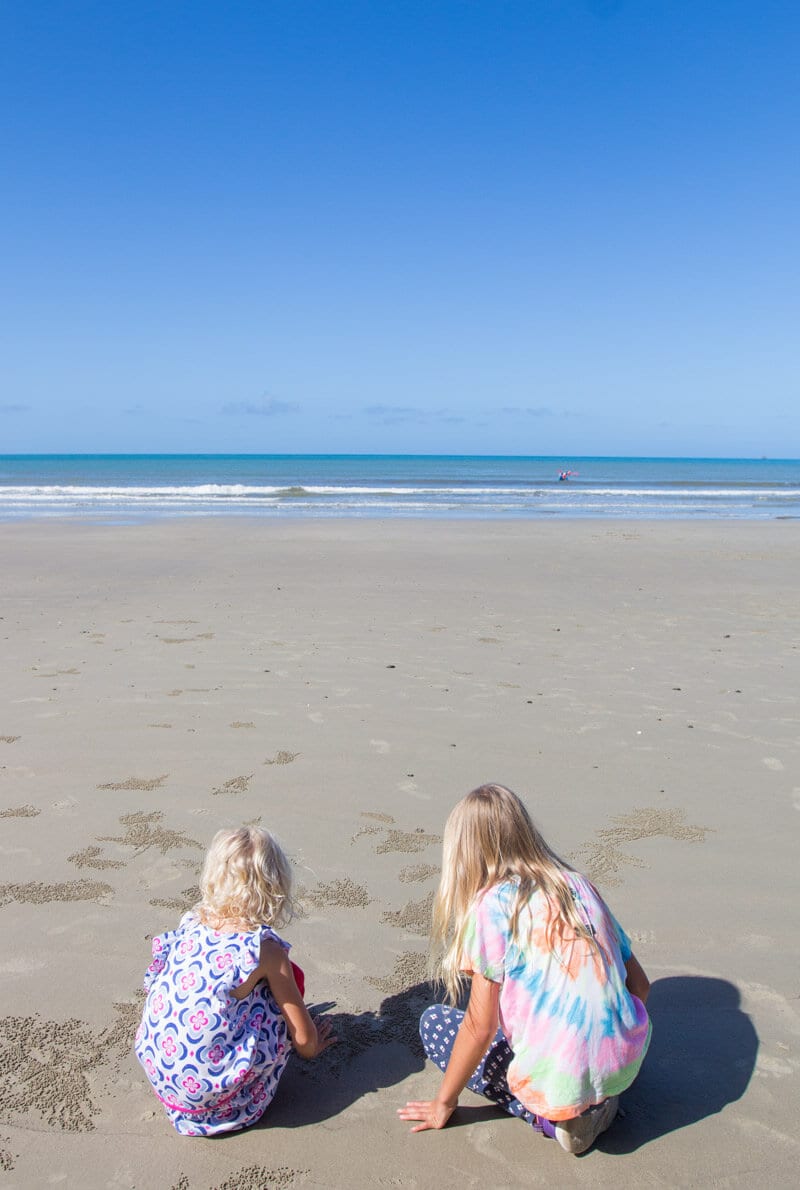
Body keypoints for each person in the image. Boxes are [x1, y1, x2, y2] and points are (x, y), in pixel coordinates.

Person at [398, 784, 651, 1154]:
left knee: (435, 1024)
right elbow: (640, 985)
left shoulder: (490, 907)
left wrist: (444, 1103)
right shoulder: (578, 884)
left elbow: (479, 1027)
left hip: (566, 1079)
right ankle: (600, 1090)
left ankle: (553, 1119)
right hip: (623, 1062)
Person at [135, 825, 335, 1135]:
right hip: (220, 1103)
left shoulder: (190, 923)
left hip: (167, 1087)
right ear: (275, 885)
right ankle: (238, 1092)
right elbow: (306, 1045)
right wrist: (311, 1043)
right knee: (286, 982)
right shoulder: (263, 949)